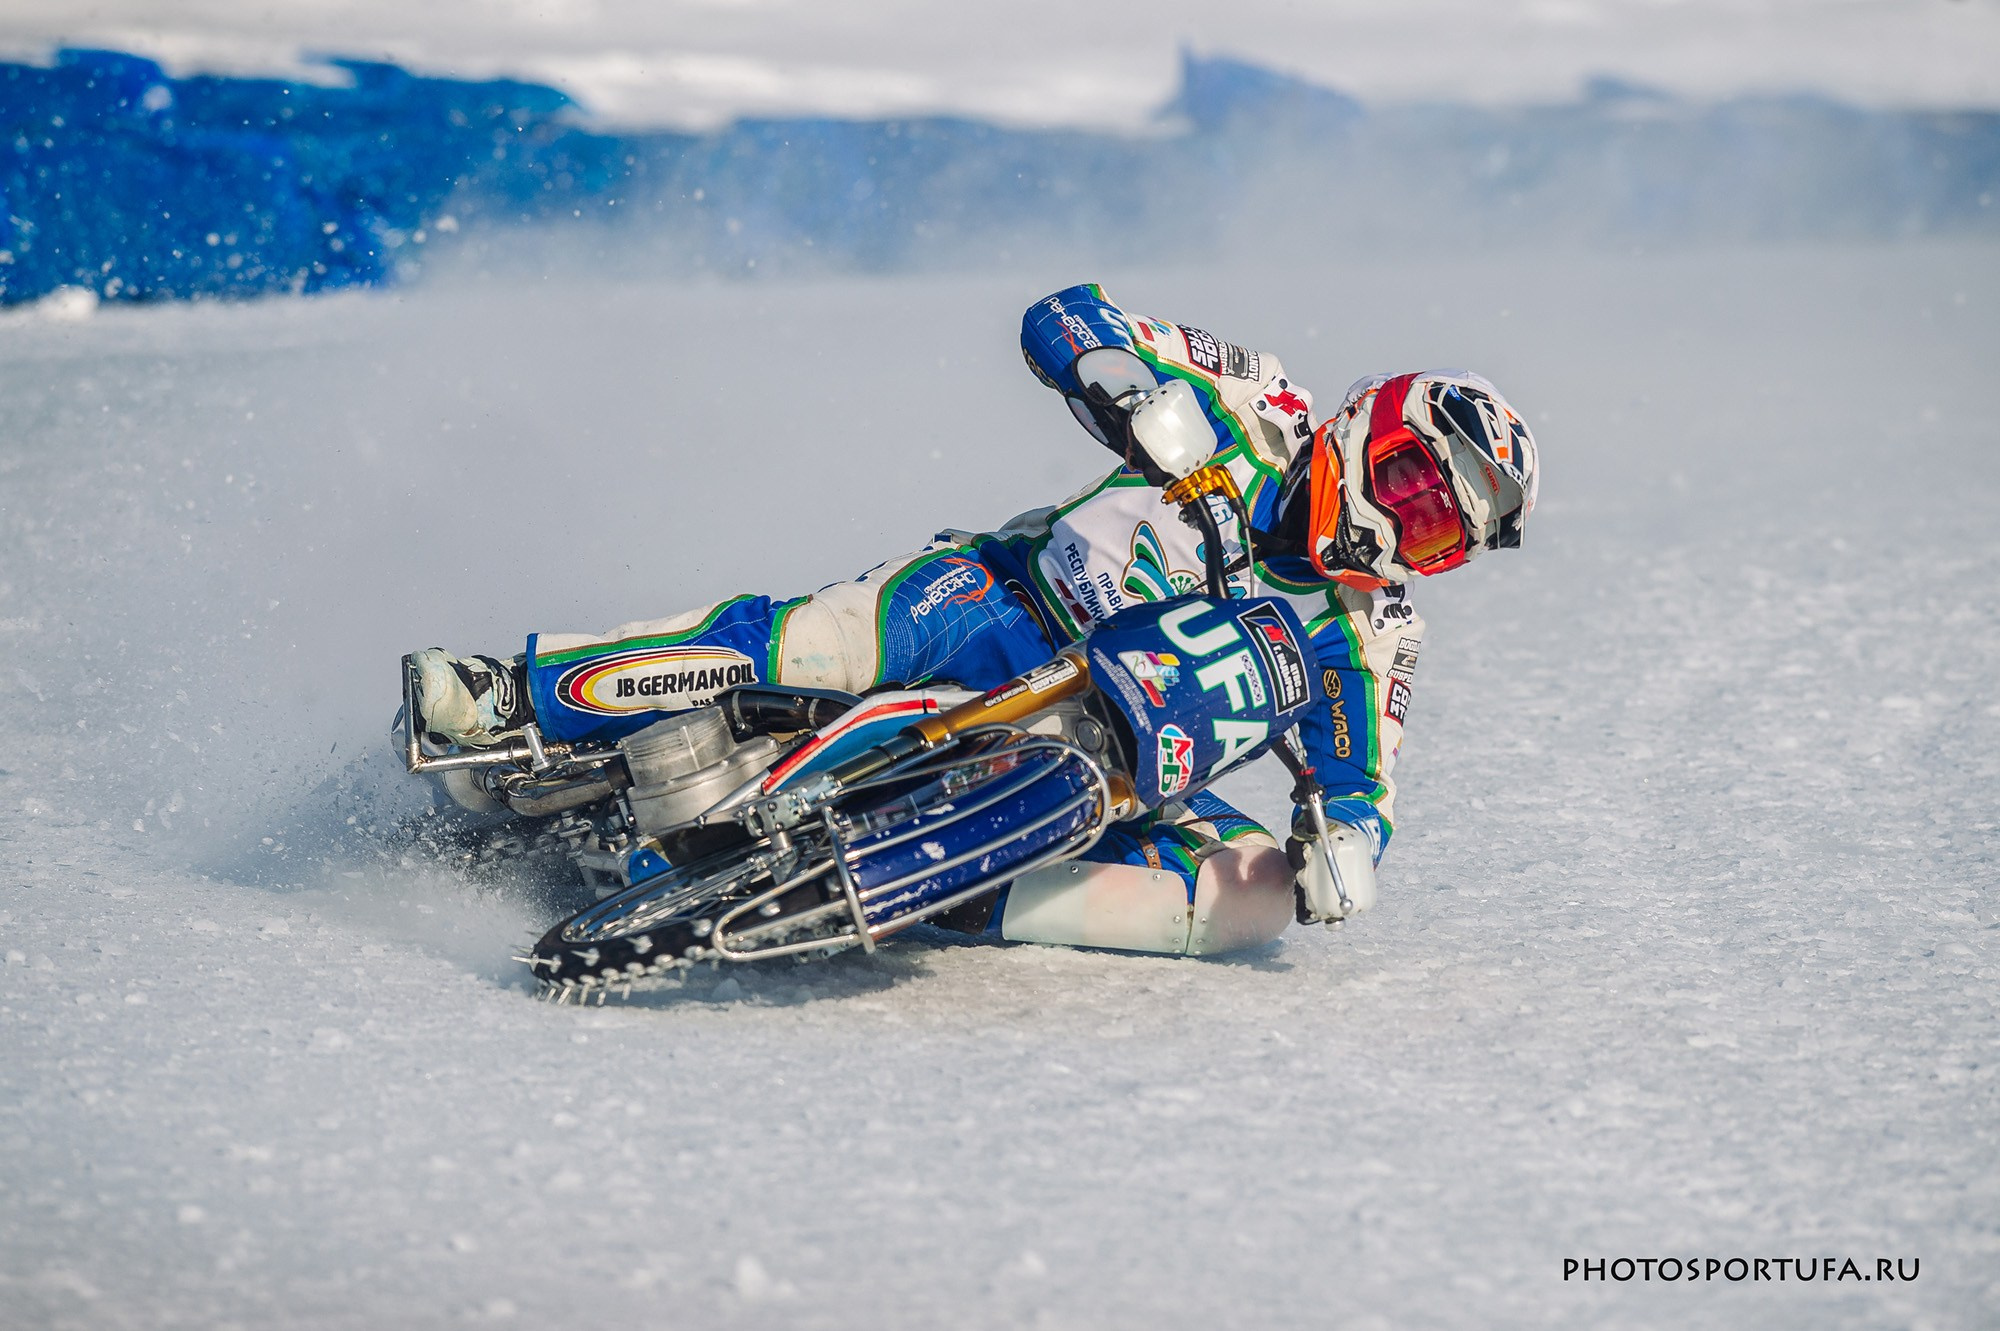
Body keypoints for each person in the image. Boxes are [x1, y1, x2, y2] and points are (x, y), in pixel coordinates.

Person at [410, 283, 1539, 955]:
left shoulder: (1369, 631)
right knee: (822, 639)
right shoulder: (1256, 403)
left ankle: (947, 900)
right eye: (1407, 483)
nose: (1397, 529)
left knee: (1250, 902)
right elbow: (1068, 314)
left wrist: (1346, 849)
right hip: (1002, 602)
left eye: (1437, 532)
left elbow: (1359, 783)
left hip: (1126, 755)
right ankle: (513, 692)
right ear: (1364, 423)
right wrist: (1123, 385)